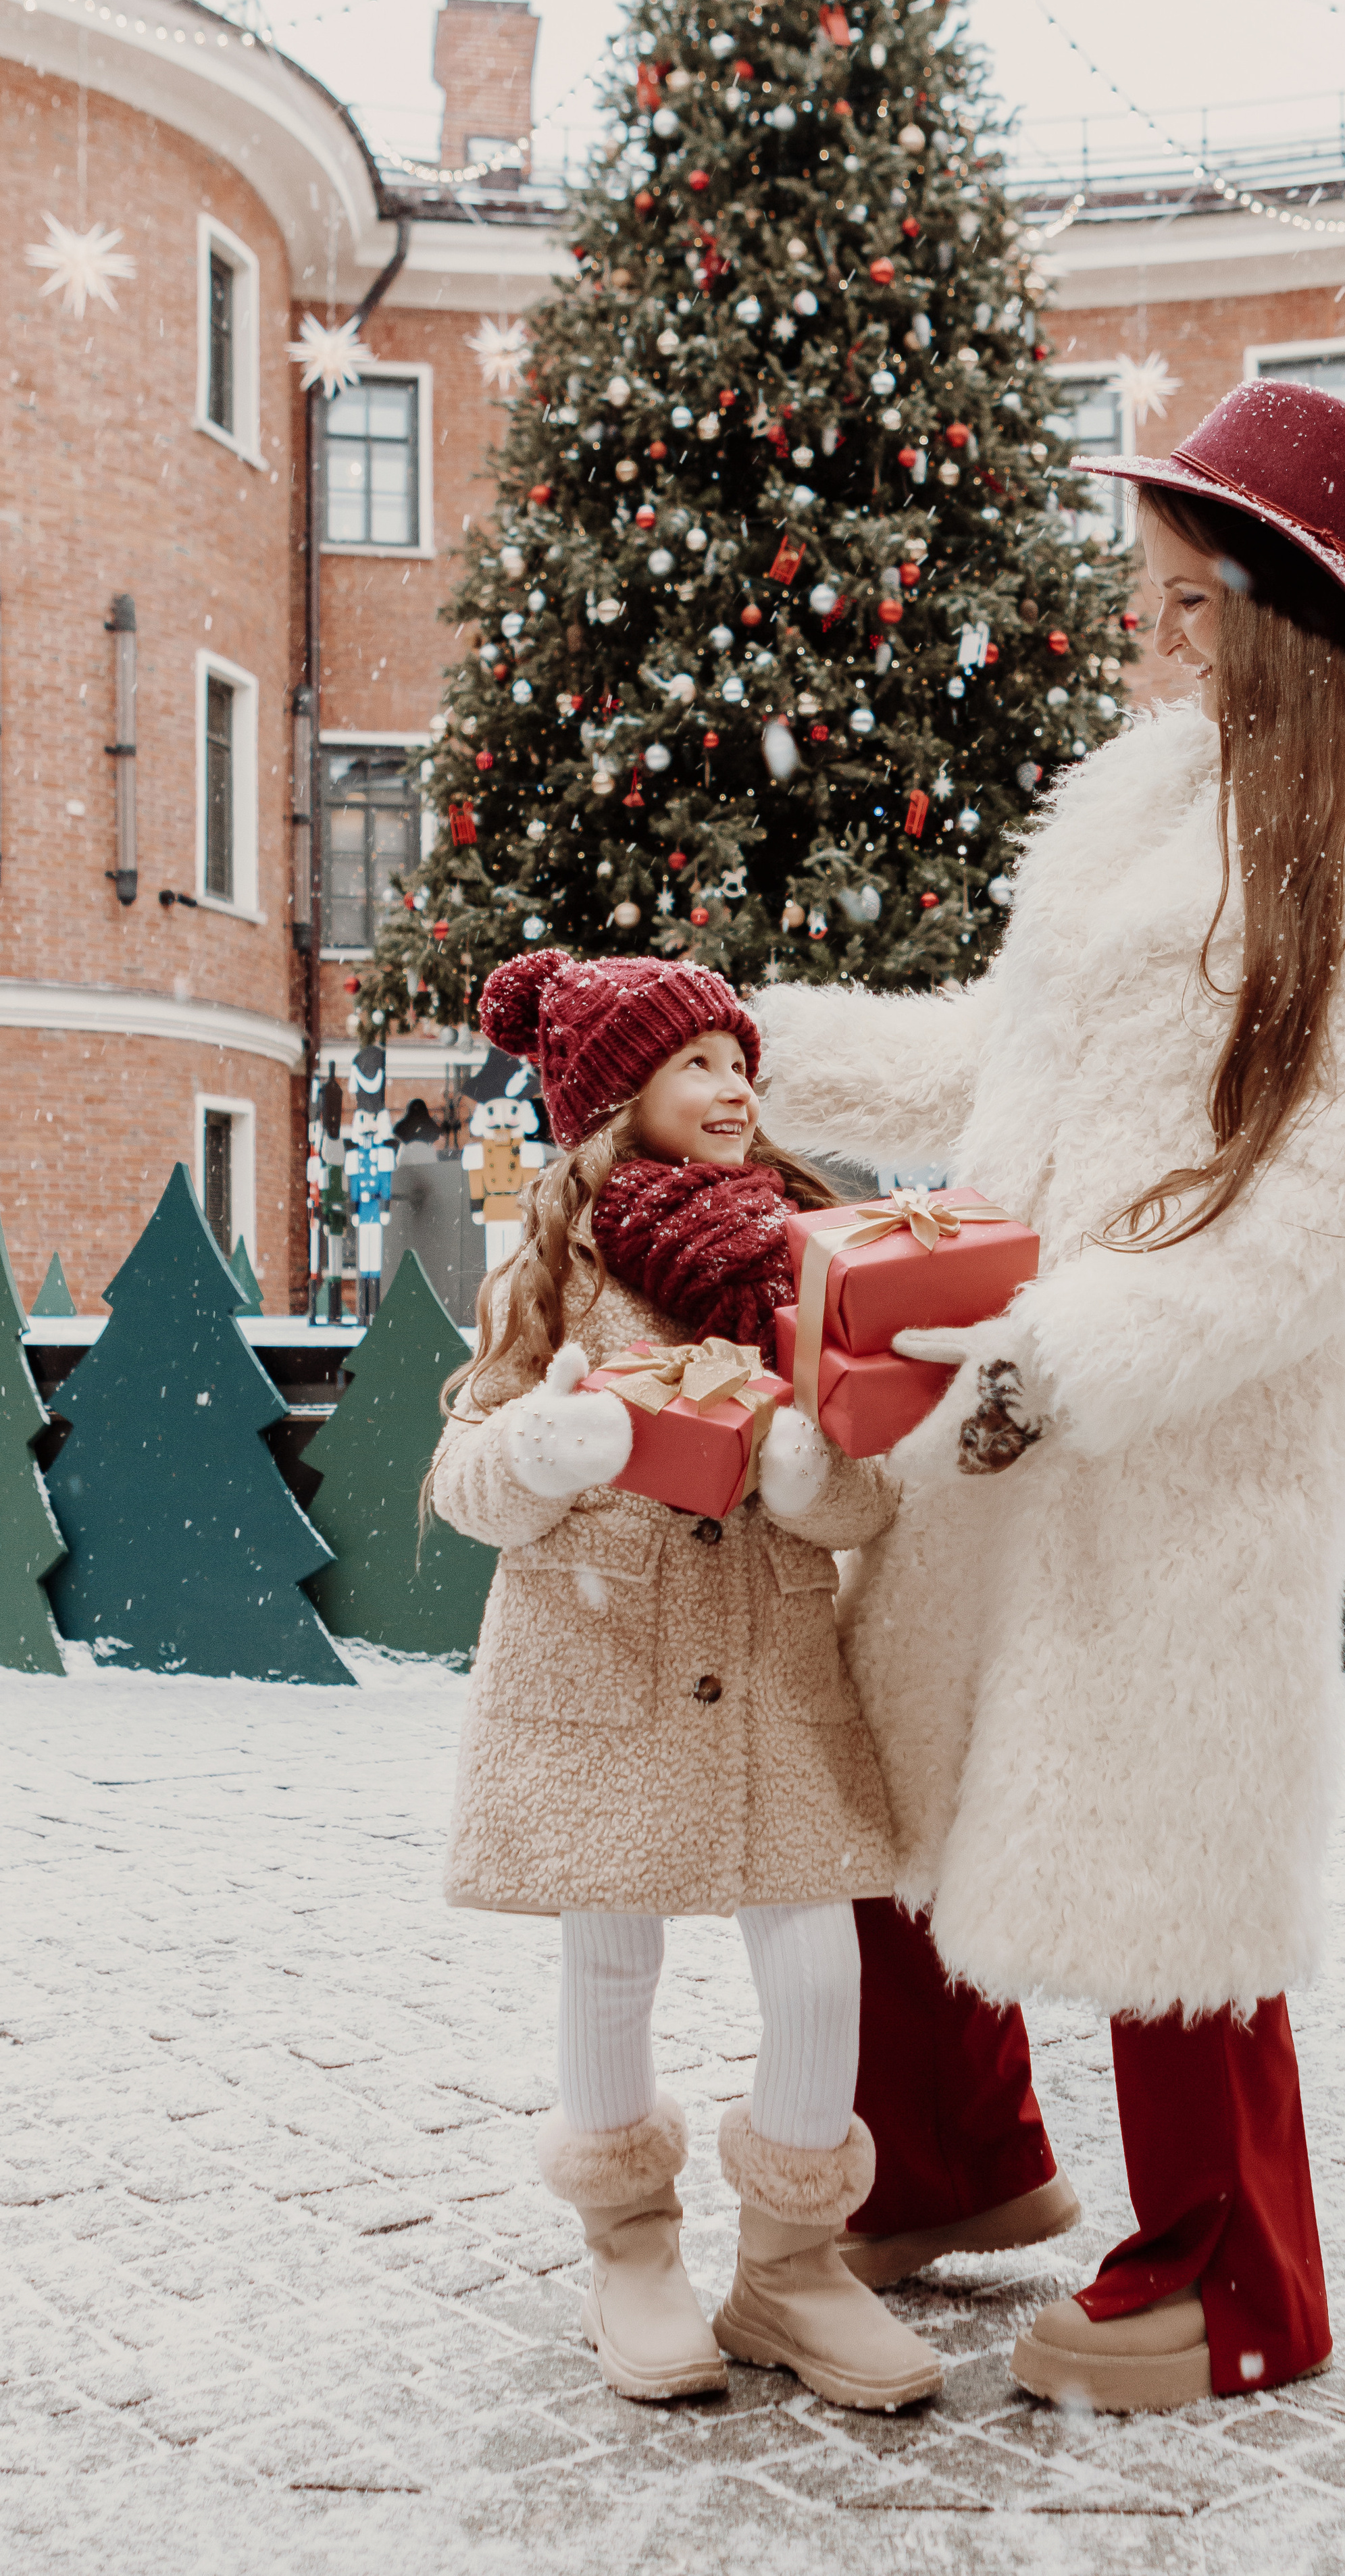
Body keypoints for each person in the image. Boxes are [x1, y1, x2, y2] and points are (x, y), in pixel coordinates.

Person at [753, 379, 1345, 2414]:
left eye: (1188, 607)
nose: (1147, 640)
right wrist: (766, 1050)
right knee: (899, 1746)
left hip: (1197, 1417)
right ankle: (953, 2160)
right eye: (1151, 600)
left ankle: (1236, 2278)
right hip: (993, 1375)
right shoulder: (1143, 799)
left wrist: (1099, 1351)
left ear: (1290, 615)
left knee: (1173, 1820)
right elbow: (990, 1061)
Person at [426, 952, 944, 2413]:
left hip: (771, 1669)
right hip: (602, 1659)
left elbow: (863, 1502)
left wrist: (808, 1472)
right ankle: (630, 2252)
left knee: (815, 1964)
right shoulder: (548, 1266)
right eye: (698, 1065)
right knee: (610, 1957)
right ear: (615, 1095)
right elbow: (465, 1482)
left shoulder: (805, 1256)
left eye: (738, 1061)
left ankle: (790, 2269)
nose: (734, 1090)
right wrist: (544, 1447)